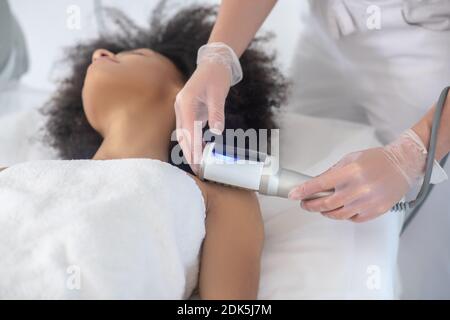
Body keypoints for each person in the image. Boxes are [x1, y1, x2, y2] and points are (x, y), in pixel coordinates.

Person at [0, 4, 288, 299]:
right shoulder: (12, 173)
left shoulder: (221, 197)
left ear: (190, 87)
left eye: (137, 54)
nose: (99, 53)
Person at [174, 0, 450, 223]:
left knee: (399, 222)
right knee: (308, 184)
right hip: (331, 25)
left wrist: (410, 155)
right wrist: (219, 54)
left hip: (428, 52)